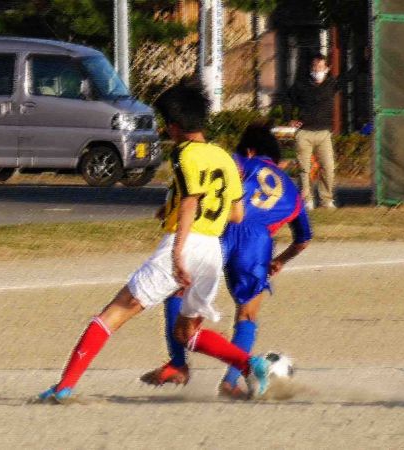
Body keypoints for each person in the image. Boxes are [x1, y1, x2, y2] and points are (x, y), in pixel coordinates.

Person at [38, 81, 273, 403]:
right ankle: (250, 364)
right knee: (186, 333)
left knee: (113, 314)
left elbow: (190, 201)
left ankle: (64, 387)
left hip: (185, 244)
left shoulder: (183, 153)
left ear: (174, 126)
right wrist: (176, 207)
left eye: (166, 124)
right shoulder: (224, 157)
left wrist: (178, 252)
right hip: (211, 251)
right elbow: (236, 214)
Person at [141, 122, 312, 398]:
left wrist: (170, 206)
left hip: (221, 228)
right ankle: (231, 382)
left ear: (250, 150)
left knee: (178, 290)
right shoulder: (291, 191)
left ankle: (178, 363)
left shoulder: (240, 161)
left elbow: (204, 179)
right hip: (257, 243)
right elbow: (303, 239)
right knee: (247, 314)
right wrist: (280, 260)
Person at [286, 53, 356, 210]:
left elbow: (350, 75)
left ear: (327, 68)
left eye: (321, 67)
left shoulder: (332, 84)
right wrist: (289, 118)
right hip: (304, 133)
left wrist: (364, 58)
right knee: (304, 169)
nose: (317, 70)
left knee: (329, 167)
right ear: (311, 68)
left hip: (324, 134)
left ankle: (326, 199)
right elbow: (287, 99)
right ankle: (307, 200)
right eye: (315, 67)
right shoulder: (301, 85)